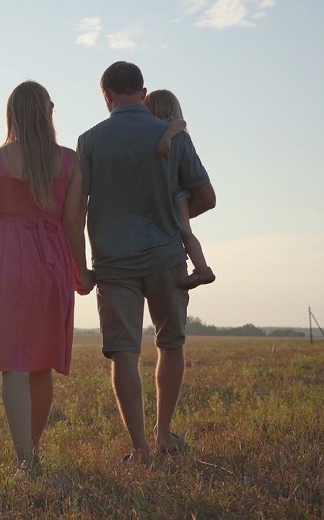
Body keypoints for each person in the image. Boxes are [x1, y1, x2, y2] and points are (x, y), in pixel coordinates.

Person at [76, 61, 216, 464]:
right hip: (166, 257)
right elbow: (206, 197)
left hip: (112, 263)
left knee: (124, 353)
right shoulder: (173, 136)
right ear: (143, 91)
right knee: (170, 344)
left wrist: (80, 263)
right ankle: (164, 435)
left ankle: (139, 450)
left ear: (106, 96)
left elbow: (77, 210)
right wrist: (173, 218)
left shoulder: (89, 141)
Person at [0, 81, 92, 472]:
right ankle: (32, 450)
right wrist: (81, 270)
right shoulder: (70, 161)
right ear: (47, 112)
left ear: (13, 114)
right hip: (52, 261)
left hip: (8, 259)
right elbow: (74, 222)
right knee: (41, 362)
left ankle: (25, 459)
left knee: (14, 364)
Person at [147, 89, 216, 290]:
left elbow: (181, 123)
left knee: (185, 230)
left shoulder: (171, 129)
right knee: (184, 230)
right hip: (179, 195)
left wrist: (167, 136)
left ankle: (203, 269)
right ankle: (201, 268)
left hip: (177, 195)